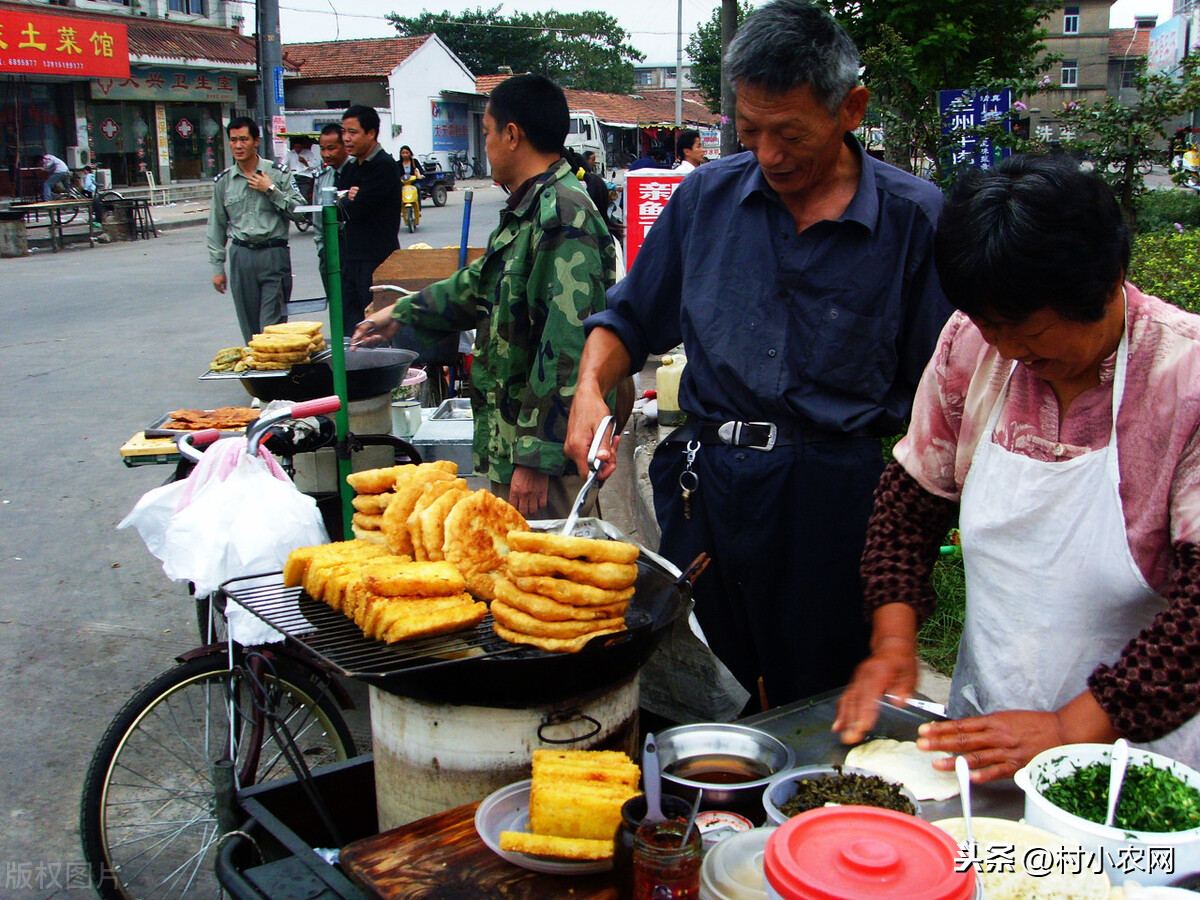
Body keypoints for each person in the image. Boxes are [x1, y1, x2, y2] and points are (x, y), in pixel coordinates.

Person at [564, 0, 951, 712]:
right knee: (697, 694)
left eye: (790, 133)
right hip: (706, 488)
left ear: (851, 108)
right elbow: (626, 319)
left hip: (837, 503)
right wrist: (592, 386)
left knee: (825, 705)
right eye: (749, 131)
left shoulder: (915, 220)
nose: (768, 154)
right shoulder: (706, 201)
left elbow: (952, 396)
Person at [836, 155, 1200, 777]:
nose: (1007, 349)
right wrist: (893, 639)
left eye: (1028, 330)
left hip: (1140, 756)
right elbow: (910, 504)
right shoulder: (971, 344)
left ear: (1108, 282)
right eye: (990, 324)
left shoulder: (1182, 379)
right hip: (987, 725)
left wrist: (1071, 725)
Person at [351, 74, 617, 519]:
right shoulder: (529, 209)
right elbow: (479, 285)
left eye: (489, 132)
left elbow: (568, 349)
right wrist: (400, 312)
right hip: (514, 445)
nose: (487, 144)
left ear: (512, 135)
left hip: (543, 460)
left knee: (552, 578)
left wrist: (534, 458)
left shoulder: (563, 217)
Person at [205, 116, 305, 344]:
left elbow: (301, 212)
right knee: (250, 329)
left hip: (273, 253)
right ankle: (261, 376)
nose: (238, 146)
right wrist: (217, 267)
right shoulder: (224, 181)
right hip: (241, 255)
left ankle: (275, 377)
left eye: (244, 139)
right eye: (233, 140)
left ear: (256, 141)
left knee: (272, 327)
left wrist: (270, 189)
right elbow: (216, 226)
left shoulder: (277, 173)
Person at [338, 105, 403, 337]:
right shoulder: (351, 168)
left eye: (353, 132)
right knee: (350, 328)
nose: (346, 138)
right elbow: (337, 207)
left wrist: (345, 200)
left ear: (371, 133)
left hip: (376, 260)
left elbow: (357, 210)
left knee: (374, 329)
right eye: (344, 132)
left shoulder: (383, 166)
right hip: (350, 258)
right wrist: (347, 199)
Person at [312, 123, 352, 302]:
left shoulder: (356, 173)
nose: (326, 154)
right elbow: (317, 219)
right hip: (329, 251)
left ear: (344, 146)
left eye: (331, 148)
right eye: (322, 149)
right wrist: (322, 249)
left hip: (353, 251)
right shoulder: (322, 178)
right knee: (336, 305)